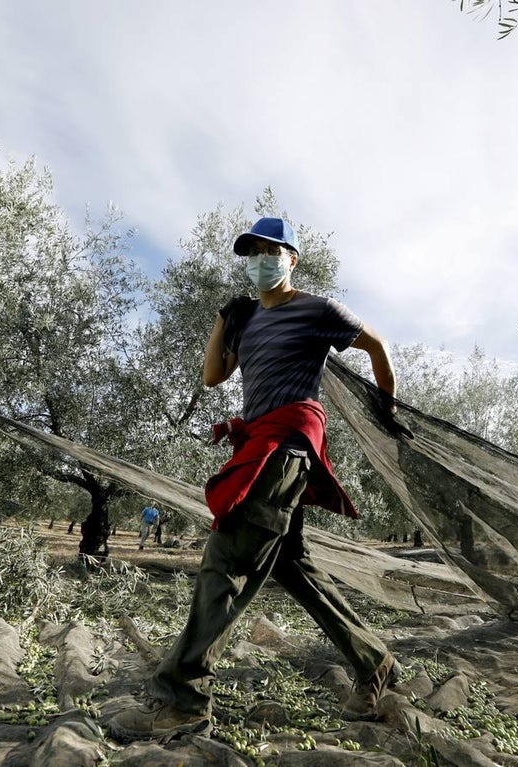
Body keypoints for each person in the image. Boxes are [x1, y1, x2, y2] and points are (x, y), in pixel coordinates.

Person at [107, 217, 402, 742]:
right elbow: (212, 376)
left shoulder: (319, 310)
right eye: (253, 252)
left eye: (271, 251)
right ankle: (373, 660)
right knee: (291, 566)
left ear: (291, 259)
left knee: (226, 562)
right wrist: (224, 320)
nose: (261, 260)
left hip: (285, 447)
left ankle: (182, 700)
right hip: (260, 441)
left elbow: (377, 345)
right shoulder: (246, 319)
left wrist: (386, 409)